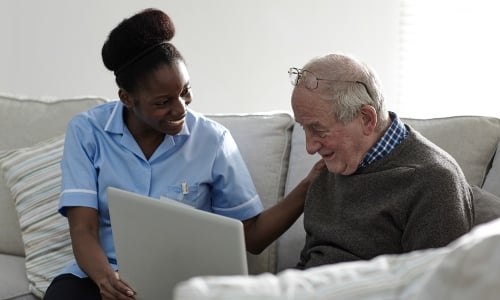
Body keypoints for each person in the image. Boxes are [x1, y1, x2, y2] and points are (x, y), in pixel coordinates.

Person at [43, 8, 323, 300]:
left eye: (185, 92)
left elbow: (251, 236)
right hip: (101, 275)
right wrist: (107, 281)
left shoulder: (213, 141)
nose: (180, 109)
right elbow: (83, 228)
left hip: (183, 285)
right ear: (127, 98)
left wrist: (306, 188)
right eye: (163, 102)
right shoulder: (87, 132)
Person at [288, 53, 474, 270]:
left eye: (319, 130)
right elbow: (308, 264)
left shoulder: (433, 181)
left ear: (366, 119)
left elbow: (436, 287)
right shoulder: (328, 171)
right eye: (304, 128)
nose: (310, 147)